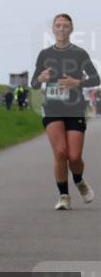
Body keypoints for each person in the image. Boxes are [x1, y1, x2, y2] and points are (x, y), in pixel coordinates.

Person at [32, 13, 98, 210]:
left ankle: (79, 180)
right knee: (61, 153)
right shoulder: (44, 54)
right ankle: (64, 196)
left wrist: (77, 82)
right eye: (58, 26)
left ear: (71, 29)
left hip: (75, 108)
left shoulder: (80, 54)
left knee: (75, 156)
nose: (61, 29)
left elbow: (96, 79)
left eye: (65, 26)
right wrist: (41, 79)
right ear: (52, 29)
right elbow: (34, 83)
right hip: (52, 108)